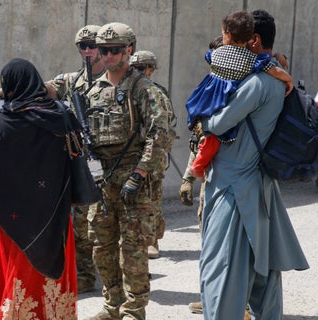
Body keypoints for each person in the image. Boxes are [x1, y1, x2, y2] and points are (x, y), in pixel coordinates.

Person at [198, 9, 309, 320]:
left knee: (223, 269)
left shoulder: (257, 83)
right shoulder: (275, 77)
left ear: (252, 41)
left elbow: (218, 123)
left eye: (229, 39)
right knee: (264, 273)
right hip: (260, 185)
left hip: (235, 188)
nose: (226, 45)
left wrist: (203, 118)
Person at [0, 58, 78, 319]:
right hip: (54, 220)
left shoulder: (6, 123)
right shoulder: (61, 116)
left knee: (15, 282)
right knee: (48, 291)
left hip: (11, 225)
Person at [85, 22, 172, 320]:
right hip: (103, 180)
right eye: (103, 50)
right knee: (102, 246)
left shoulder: (143, 89)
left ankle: (134, 310)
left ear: (129, 50)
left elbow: (160, 136)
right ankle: (112, 305)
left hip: (134, 178)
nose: (107, 55)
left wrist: (140, 174)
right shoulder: (94, 90)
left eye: (114, 50)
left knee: (133, 251)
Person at [186, 10, 293, 179]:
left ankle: (196, 167)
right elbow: (271, 68)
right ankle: (197, 167)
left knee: (208, 136)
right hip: (254, 170)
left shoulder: (217, 56)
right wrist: (287, 77)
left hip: (208, 99)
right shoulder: (254, 63)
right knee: (211, 141)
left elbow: (218, 125)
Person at [45, 24, 105, 294]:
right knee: (81, 223)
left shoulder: (118, 79)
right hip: (83, 161)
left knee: (107, 224)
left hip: (113, 160)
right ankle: (84, 275)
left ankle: (117, 279)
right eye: (83, 46)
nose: (89, 50)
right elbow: (41, 89)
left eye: (93, 45)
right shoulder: (71, 80)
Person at [129, 50, 177, 259]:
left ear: (150, 70)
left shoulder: (158, 92)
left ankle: (152, 240)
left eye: (141, 68)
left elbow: (163, 126)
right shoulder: (128, 89)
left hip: (152, 153)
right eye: (134, 68)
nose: (137, 72)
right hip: (132, 153)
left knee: (152, 198)